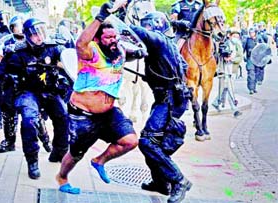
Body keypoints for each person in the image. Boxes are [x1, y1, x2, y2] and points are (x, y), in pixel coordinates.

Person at [0, 17, 70, 179]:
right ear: (27, 35)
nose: (39, 37)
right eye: (35, 34)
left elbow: (73, 61)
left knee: (62, 115)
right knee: (29, 120)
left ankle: (59, 152)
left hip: (50, 90)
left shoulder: (54, 48)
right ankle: (32, 160)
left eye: (41, 32)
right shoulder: (16, 53)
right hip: (27, 93)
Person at [55, 2, 140, 195]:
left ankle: (99, 161)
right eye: (107, 37)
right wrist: (100, 17)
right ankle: (62, 177)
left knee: (130, 141)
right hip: (83, 116)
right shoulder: (90, 52)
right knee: (76, 154)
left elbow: (135, 45)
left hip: (109, 113)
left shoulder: (119, 50)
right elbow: (79, 43)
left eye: (114, 37)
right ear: (98, 39)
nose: (112, 40)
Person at [130, 11, 192, 203]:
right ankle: (160, 183)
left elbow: (140, 32)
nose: (146, 29)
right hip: (170, 98)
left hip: (169, 101)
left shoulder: (159, 40)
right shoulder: (168, 44)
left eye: (148, 25)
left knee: (147, 142)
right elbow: (183, 65)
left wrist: (115, 18)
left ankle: (179, 180)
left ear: (155, 26)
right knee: (153, 143)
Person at [0, 15, 52, 154]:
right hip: (9, 82)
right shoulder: (6, 41)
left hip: (27, 84)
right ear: (12, 28)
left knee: (33, 115)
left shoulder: (34, 41)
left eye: (21, 26)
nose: (19, 29)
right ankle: (9, 141)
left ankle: (45, 140)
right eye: (16, 26)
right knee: (8, 114)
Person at [211, 32, 242, 117]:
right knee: (229, 89)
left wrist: (232, 59)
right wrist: (223, 56)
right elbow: (217, 55)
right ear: (230, 36)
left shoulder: (238, 46)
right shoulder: (223, 44)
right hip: (224, 71)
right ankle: (234, 109)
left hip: (232, 70)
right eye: (234, 36)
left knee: (226, 88)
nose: (235, 38)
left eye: (237, 36)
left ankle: (216, 102)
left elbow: (240, 57)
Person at [243, 27, 261, 95]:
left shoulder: (259, 39)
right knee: (251, 73)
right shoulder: (247, 40)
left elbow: (263, 47)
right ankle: (251, 88)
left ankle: (254, 87)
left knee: (257, 73)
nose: (251, 34)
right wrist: (243, 56)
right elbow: (243, 48)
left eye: (252, 32)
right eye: (250, 33)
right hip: (250, 58)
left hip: (257, 59)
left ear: (255, 33)